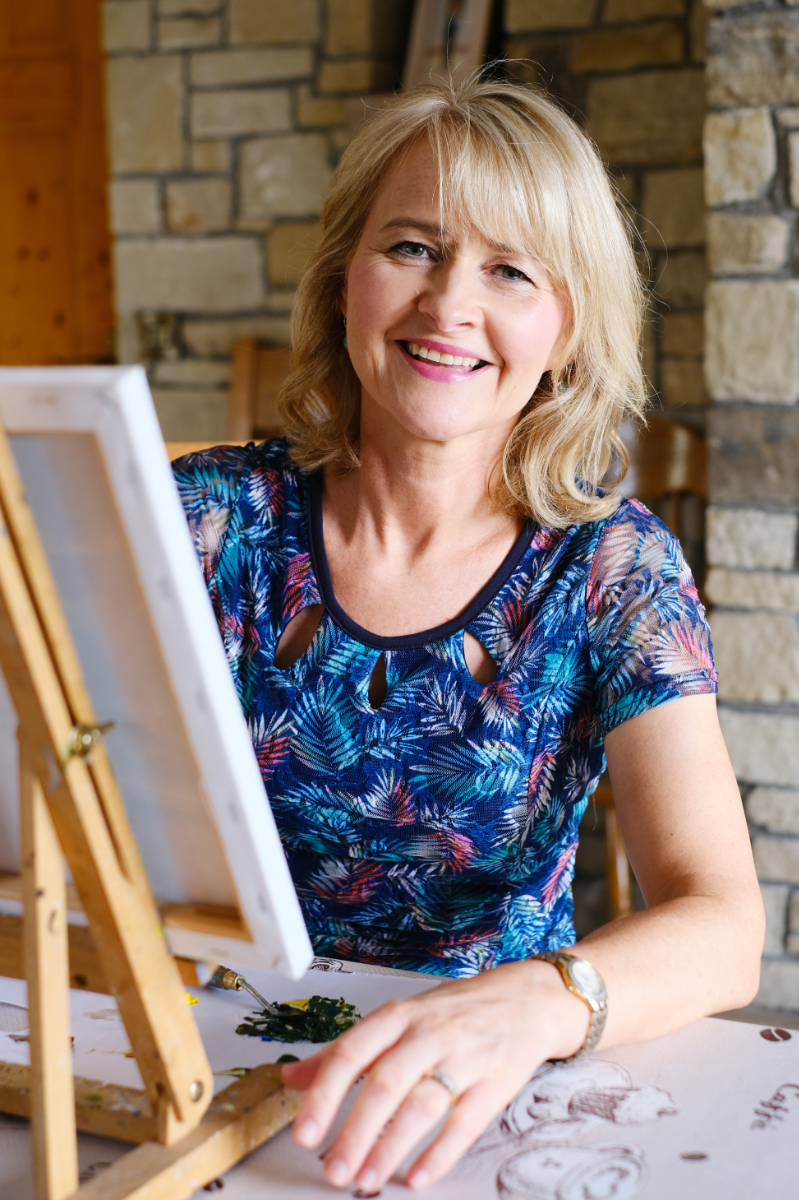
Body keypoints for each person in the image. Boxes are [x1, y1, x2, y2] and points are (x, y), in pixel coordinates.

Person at [173, 76, 764, 1193]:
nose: (448, 303)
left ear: (567, 326)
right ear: (344, 277)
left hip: (480, 1095)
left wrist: (536, 1003)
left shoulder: (610, 568)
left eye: (510, 271)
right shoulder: (200, 522)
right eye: (412, 247)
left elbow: (723, 925)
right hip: (204, 1061)